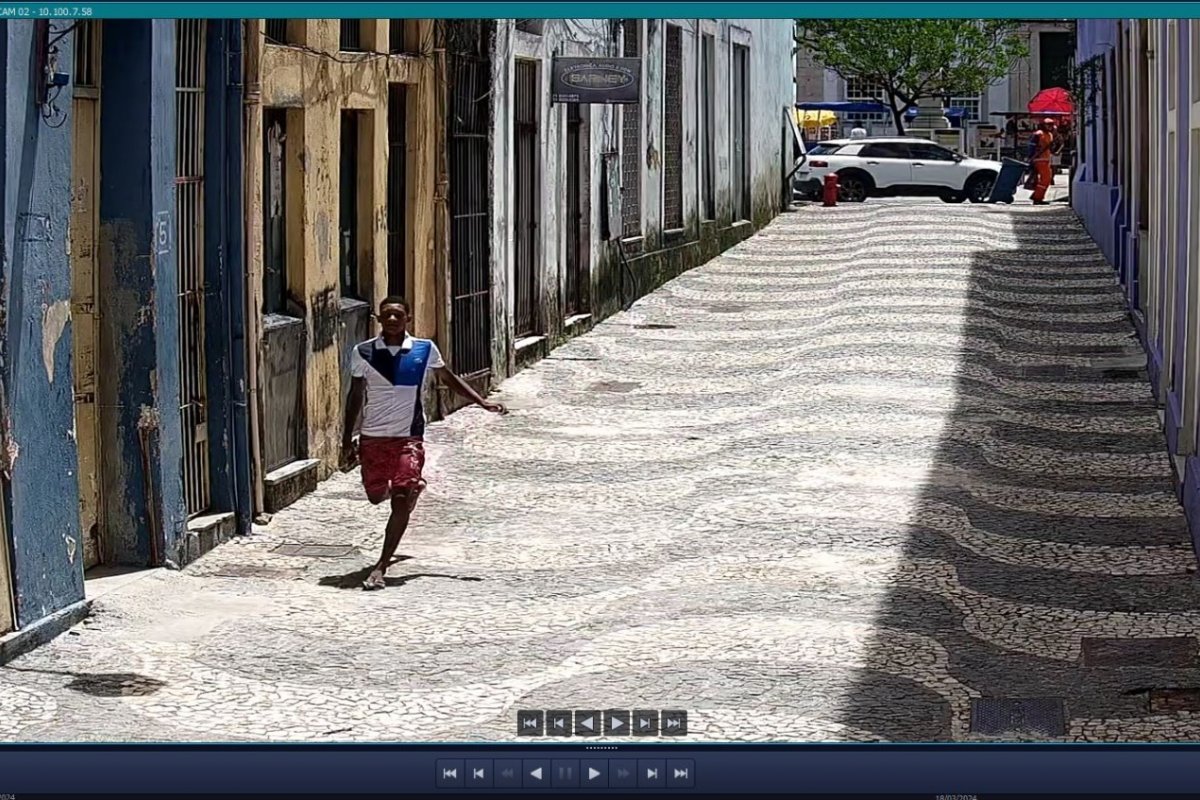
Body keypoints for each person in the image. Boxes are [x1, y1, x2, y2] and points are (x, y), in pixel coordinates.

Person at [342, 296, 506, 590]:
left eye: (398, 315)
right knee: (376, 496)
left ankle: (381, 566)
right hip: (373, 437)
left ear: (408, 319)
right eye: (387, 315)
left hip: (409, 437)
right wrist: (346, 440)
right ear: (379, 320)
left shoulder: (423, 349)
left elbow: (448, 377)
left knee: (400, 499)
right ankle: (410, 489)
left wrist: (481, 402)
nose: (392, 320)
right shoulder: (363, 352)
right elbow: (354, 396)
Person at [1027, 118, 1057, 205]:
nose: (1050, 126)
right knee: (1045, 179)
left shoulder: (1050, 135)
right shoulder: (1039, 134)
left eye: (1051, 125)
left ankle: (1037, 196)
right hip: (1039, 159)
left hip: (1046, 160)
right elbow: (1032, 146)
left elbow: (1051, 148)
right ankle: (1037, 197)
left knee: (1045, 179)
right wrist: (1031, 157)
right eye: (1048, 125)